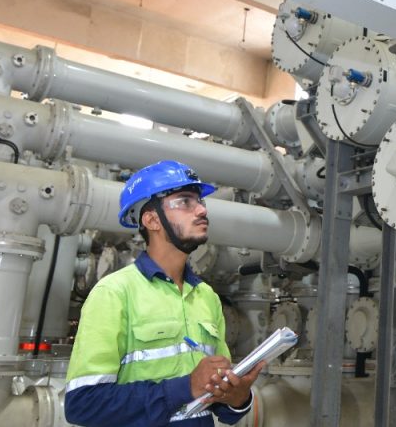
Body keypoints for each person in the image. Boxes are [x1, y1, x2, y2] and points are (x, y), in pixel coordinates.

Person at [64, 160, 264, 426]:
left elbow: (219, 403)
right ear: (151, 220)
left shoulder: (206, 297)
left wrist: (238, 398)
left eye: (200, 201)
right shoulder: (114, 293)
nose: (201, 210)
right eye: (185, 202)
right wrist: (185, 387)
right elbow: (82, 404)